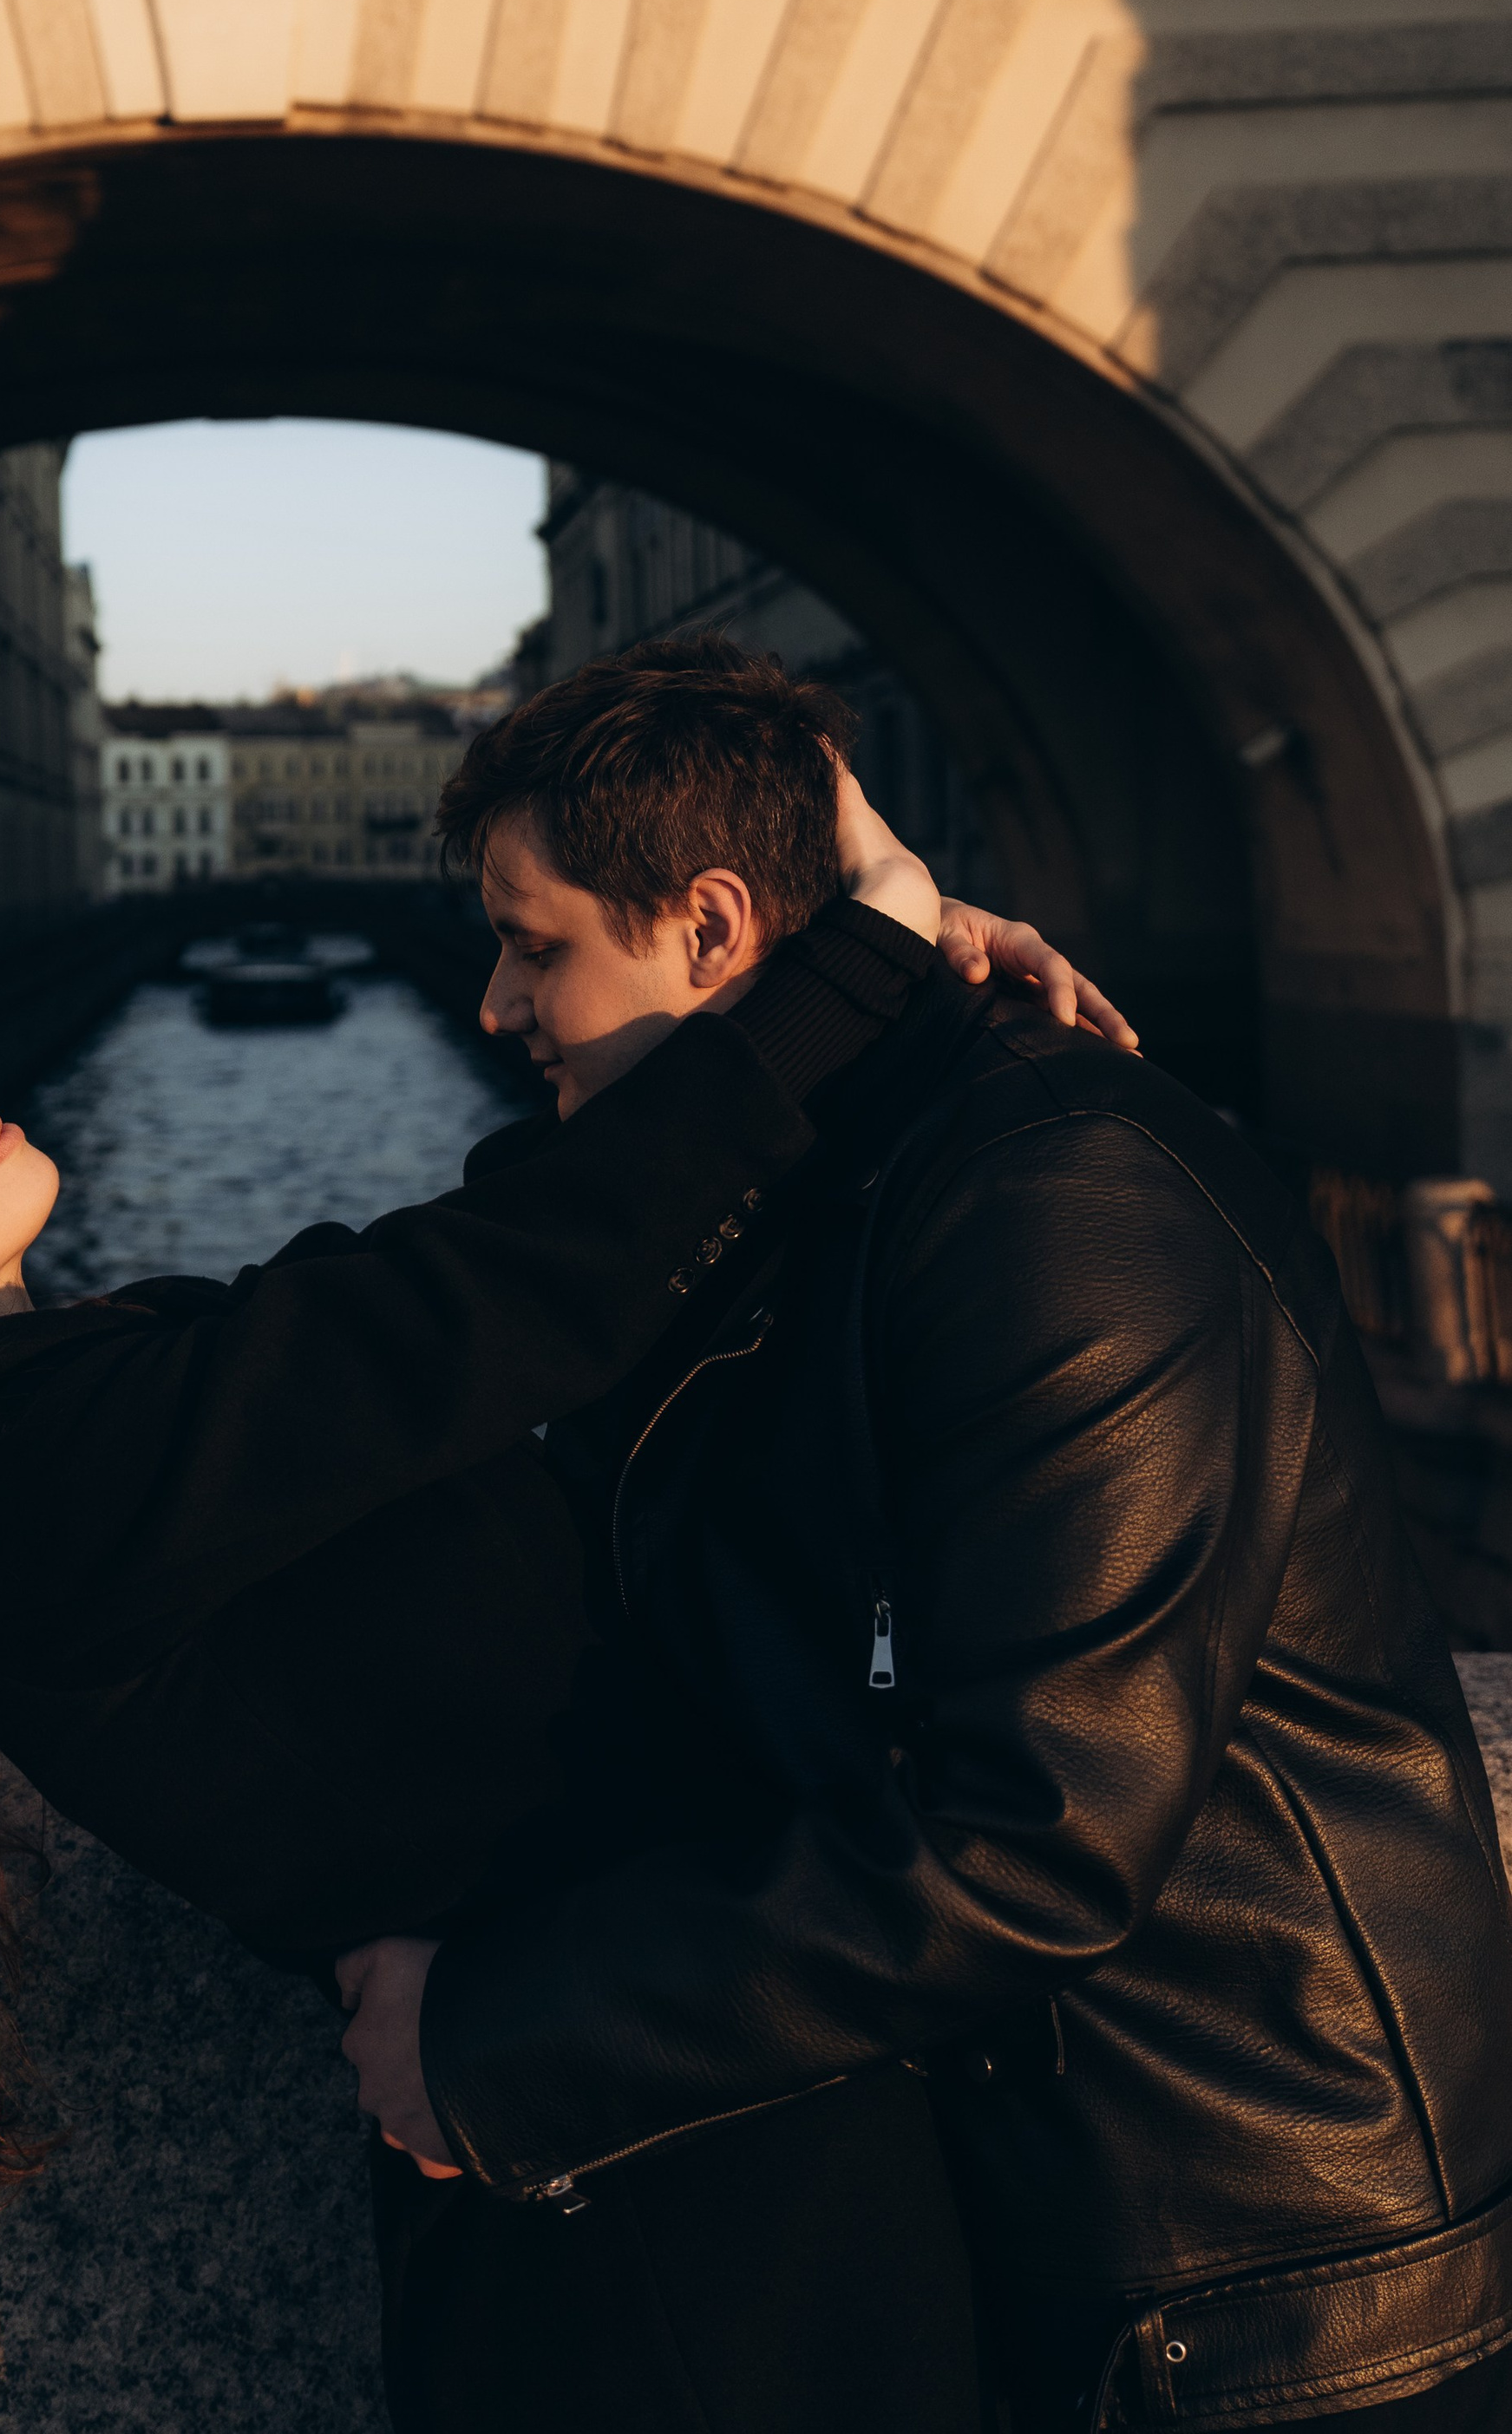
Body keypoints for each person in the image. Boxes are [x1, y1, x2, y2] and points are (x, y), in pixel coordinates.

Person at [0, 685, 1109, 2422]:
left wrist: (835, 1007)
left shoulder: (25, 1416)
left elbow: (466, 1298)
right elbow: (477, 1299)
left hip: (660, 2133)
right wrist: (854, 961)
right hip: (663, 2228)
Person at [340, 637, 1512, 2434]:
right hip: (1070, 2223)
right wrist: (882, 935)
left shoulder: (1058, 1195)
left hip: (1259, 2287)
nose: (493, 1005)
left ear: (712, 928)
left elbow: (1039, 1834)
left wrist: (501, 2042)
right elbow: (467, 1331)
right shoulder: (817, 1168)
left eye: (533, 945)